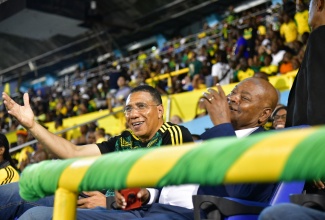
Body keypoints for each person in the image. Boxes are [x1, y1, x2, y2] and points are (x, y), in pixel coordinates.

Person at [0, 85, 193, 220]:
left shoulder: (172, 133)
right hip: (91, 196)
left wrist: (110, 202)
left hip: (126, 211)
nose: (133, 114)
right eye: (128, 109)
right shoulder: (122, 140)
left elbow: (162, 193)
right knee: (14, 192)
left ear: (160, 110)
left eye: (141, 106)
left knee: (35, 217)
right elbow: (73, 152)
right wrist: (32, 125)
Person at [260, 0, 325, 219]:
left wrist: (316, 156)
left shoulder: (320, 37)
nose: (306, 12)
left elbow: (318, 100)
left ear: (320, 4)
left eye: (307, 6)